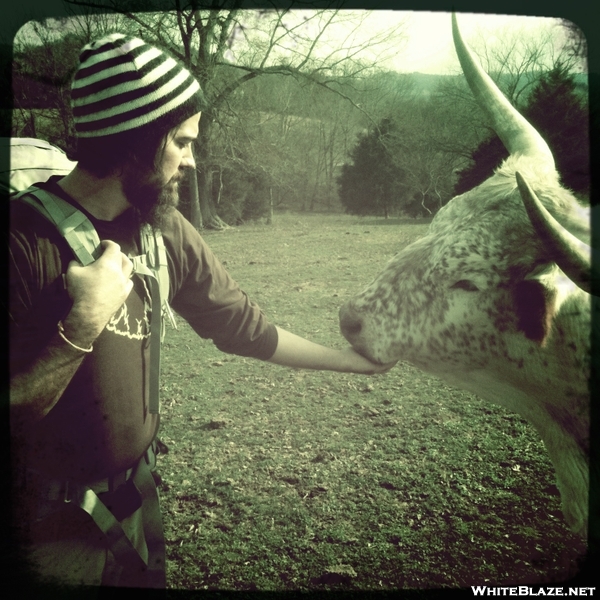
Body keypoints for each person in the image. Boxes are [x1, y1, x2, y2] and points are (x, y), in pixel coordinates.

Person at [9, 33, 392, 589]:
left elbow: (242, 327)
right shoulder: (22, 242)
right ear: (137, 140)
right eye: (182, 142)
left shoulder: (162, 229)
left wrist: (354, 363)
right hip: (45, 536)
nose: (192, 160)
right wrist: (82, 325)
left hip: (137, 508)